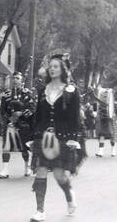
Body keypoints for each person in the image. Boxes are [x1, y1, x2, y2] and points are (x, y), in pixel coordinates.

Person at [30, 54, 84, 221]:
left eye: (56, 66)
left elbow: (75, 117)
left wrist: (74, 138)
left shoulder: (71, 91)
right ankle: (40, 211)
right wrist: (33, 136)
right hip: (42, 137)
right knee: (40, 171)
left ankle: (69, 196)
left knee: (59, 175)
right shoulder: (42, 90)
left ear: (62, 69)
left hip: (62, 137)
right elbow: (38, 116)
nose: (52, 69)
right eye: (50, 66)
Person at [0, 71, 36, 179]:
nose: (15, 80)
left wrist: (21, 113)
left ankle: (27, 166)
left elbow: (32, 108)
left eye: (17, 78)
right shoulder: (6, 94)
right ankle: (5, 169)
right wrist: (9, 118)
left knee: (24, 148)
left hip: (23, 124)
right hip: (10, 124)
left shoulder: (26, 93)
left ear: (22, 80)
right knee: (6, 147)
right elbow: (2, 109)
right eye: (13, 78)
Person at [93, 85, 117, 157]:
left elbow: (105, 104)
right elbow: (97, 108)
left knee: (112, 136)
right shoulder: (99, 104)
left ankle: (113, 150)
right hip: (102, 118)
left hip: (110, 119)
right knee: (101, 135)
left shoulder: (112, 102)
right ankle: (100, 151)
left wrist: (95, 97)